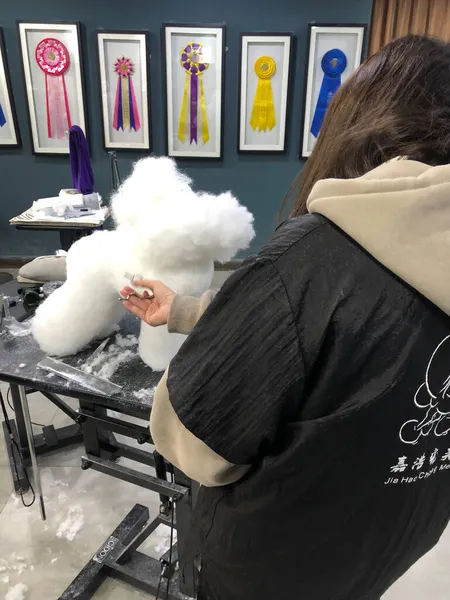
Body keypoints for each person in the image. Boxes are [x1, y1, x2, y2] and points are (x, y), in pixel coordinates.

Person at [121, 35, 450, 600]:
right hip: (390, 541)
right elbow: (349, 347)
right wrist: (189, 312)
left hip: (273, 568)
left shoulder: (311, 258)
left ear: (362, 123)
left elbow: (191, 442)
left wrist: (236, 331)